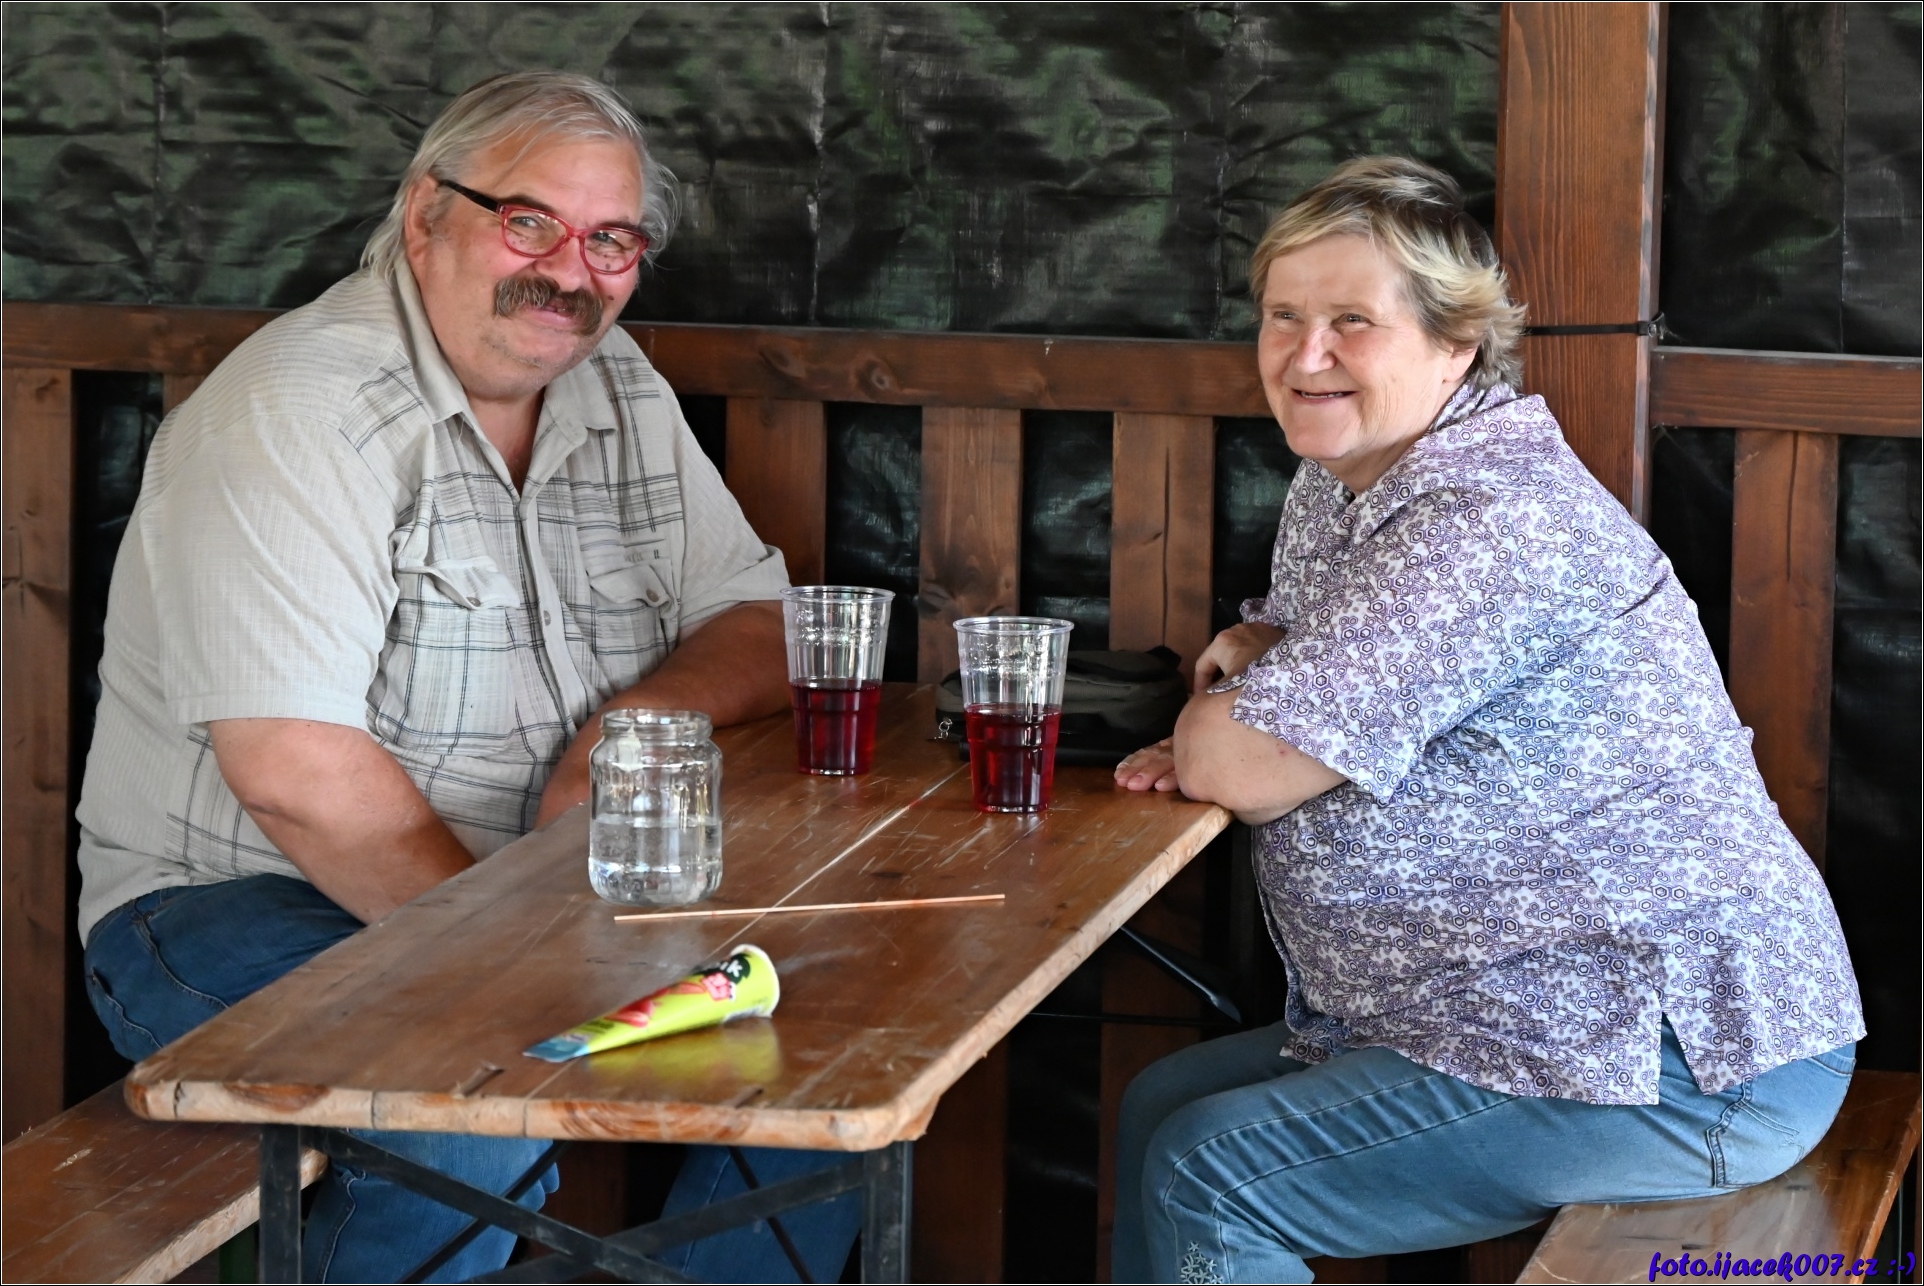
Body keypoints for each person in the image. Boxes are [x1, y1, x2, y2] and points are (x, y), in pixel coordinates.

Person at [76, 71, 857, 1283]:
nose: (570, 272)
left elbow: (756, 618)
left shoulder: (612, 381)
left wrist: (630, 723)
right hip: (231, 904)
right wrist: (519, 957)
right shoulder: (297, 409)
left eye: (611, 240)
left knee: (841, 1043)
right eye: (529, 221)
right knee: (459, 1109)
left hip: (540, 894)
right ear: (425, 214)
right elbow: (293, 774)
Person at [1111, 156, 1863, 1285]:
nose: (1304, 356)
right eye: (1283, 315)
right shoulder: (1351, 476)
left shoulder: (1484, 516)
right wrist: (1258, 692)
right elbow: (1278, 682)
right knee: (1165, 1102)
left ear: (1455, 342)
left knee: (1208, 1169)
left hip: (1675, 1055)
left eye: (1351, 321)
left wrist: (1233, 714)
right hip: (1506, 1006)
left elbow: (1243, 764)